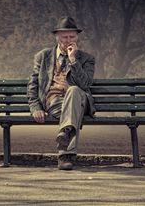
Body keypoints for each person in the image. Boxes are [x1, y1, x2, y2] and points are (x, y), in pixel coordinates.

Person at [27, 16, 95, 170]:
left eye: (72, 36)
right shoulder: (43, 56)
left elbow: (85, 84)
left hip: (80, 100)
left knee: (74, 90)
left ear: (77, 37)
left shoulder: (86, 59)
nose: (68, 40)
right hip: (54, 102)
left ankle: (64, 138)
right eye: (65, 37)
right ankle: (65, 151)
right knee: (72, 111)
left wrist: (73, 60)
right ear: (57, 37)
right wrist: (35, 107)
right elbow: (33, 84)